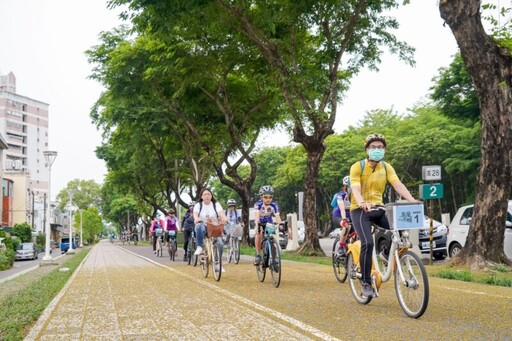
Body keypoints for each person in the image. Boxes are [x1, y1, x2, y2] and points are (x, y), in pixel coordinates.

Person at [350, 133, 418, 298]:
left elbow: (397, 184)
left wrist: (411, 199)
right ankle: (365, 282)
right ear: (367, 149)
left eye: (380, 147)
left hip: (379, 208)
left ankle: (386, 253)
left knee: (398, 232)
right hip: (360, 210)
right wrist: (361, 202)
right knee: (367, 242)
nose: (377, 150)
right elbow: (355, 189)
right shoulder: (357, 167)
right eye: (373, 147)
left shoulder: (387, 167)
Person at [193, 188, 227, 272]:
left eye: (209, 194)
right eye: (205, 194)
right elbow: (195, 214)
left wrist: (225, 218)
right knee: (199, 227)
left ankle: (217, 263)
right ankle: (200, 246)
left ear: (211, 196)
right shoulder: (198, 205)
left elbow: (221, 213)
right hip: (203, 225)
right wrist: (196, 219)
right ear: (201, 196)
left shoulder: (216, 204)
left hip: (213, 226)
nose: (207, 196)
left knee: (220, 243)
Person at [253, 185, 282, 266]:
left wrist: (280, 224)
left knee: (272, 239)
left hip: (269, 222)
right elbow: (256, 216)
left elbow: (277, 217)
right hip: (260, 221)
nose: (268, 199)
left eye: (270, 197)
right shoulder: (257, 204)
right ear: (261, 197)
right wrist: (258, 225)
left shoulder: (274, 205)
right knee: (258, 234)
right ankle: (258, 255)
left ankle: (274, 259)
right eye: (266, 197)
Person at [333, 175, 352, 257]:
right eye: (350, 186)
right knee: (346, 226)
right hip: (339, 215)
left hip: (351, 215)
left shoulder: (357, 194)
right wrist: (344, 219)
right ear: (345, 186)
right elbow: (342, 208)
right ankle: (341, 247)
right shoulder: (341, 195)